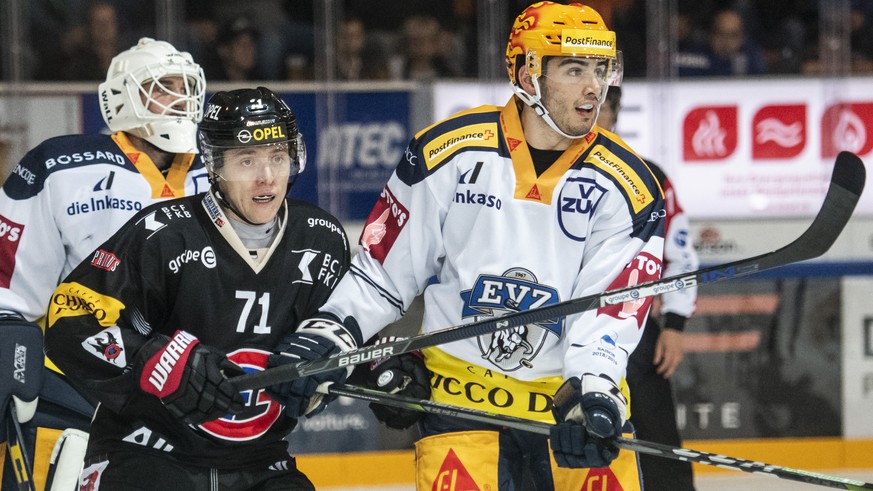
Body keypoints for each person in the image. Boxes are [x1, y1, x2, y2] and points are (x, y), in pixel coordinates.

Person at [268, 2, 666, 490]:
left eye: (601, 69)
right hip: (460, 407)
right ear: (526, 72)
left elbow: (611, 312)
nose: (593, 87)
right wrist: (331, 336)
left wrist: (596, 393)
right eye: (574, 68)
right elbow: (384, 272)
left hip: (570, 413)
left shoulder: (630, 185)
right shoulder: (446, 152)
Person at [43, 86, 352, 489]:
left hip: (260, 463)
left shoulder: (321, 238)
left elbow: (353, 337)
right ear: (215, 166)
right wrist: (152, 360)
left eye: (278, 157)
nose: (267, 176)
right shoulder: (165, 233)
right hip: (146, 451)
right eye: (247, 160)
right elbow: (68, 319)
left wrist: (361, 366)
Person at [0, 37, 208, 490]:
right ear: (120, 97)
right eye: (163, 86)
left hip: (188, 383)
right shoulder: (62, 167)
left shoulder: (220, 173)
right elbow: (9, 289)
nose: (181, 99)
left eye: (186, 86)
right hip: (79, 386)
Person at [597, 86, 699, 490]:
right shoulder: (544, 173)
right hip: (560, 328)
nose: (590, 109)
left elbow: (678, 256)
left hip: (633, 324)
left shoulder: (649, 176)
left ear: (616, 113)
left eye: (602, 104)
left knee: (656, 437)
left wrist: (673, 323)